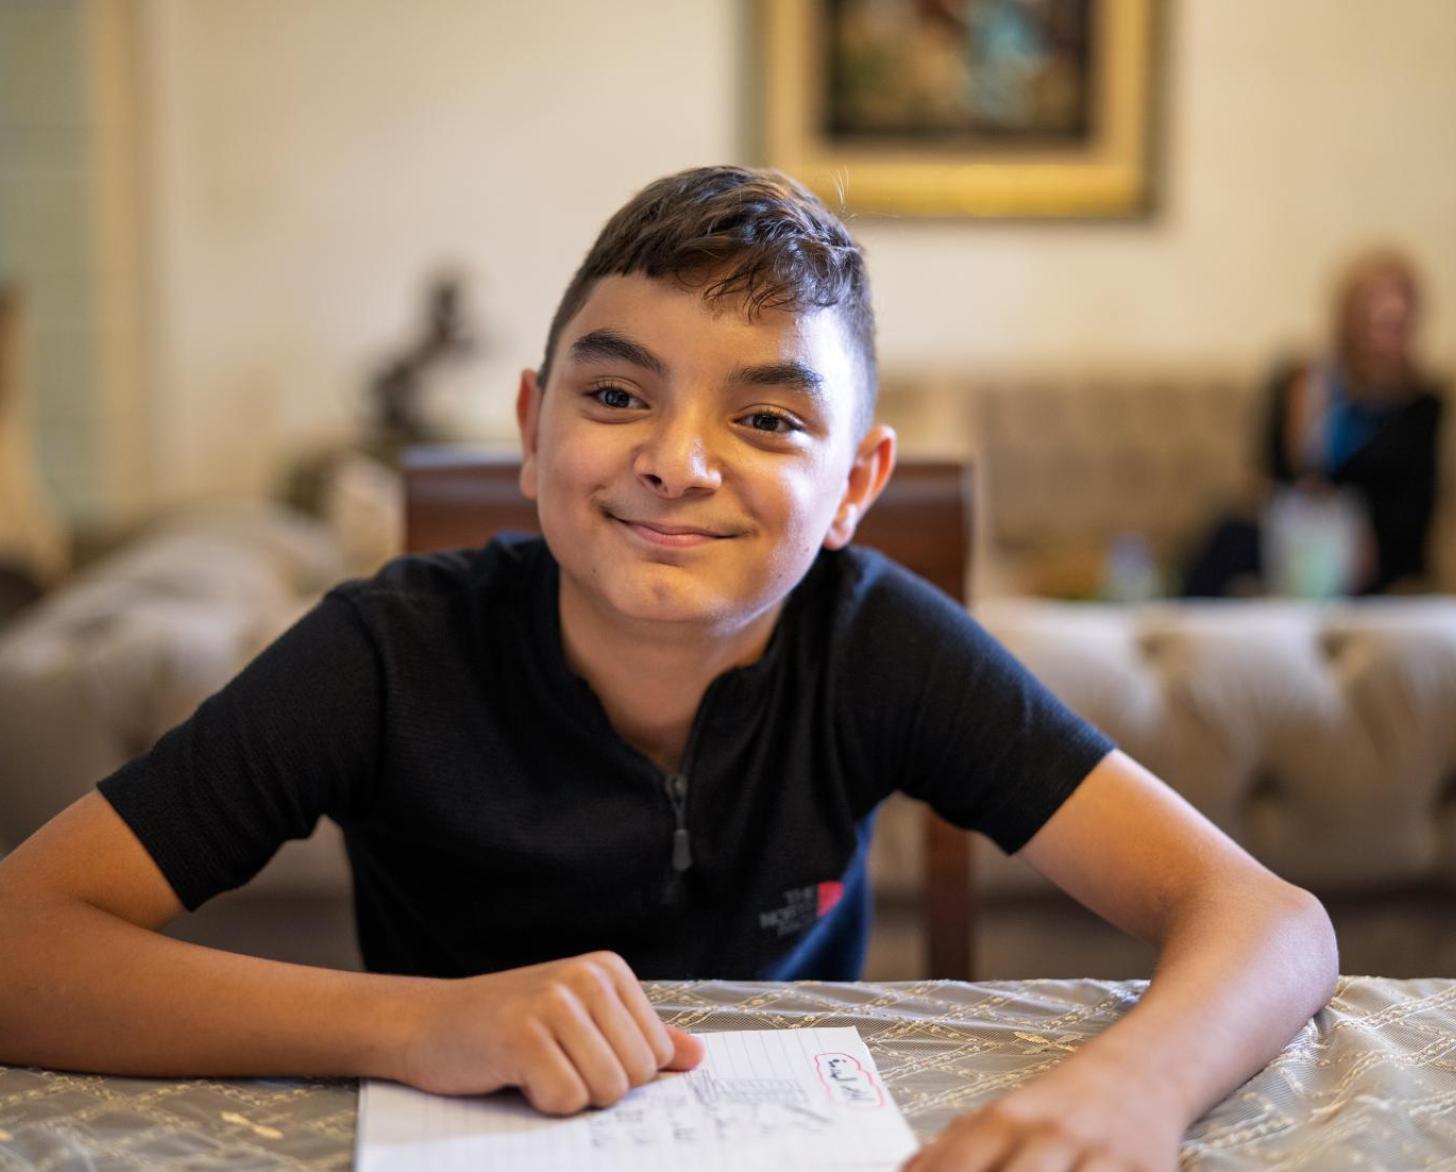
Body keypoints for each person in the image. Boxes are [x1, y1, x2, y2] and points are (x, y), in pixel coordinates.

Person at [0, 165, 1336, 1171]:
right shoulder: (384, 653)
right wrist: (419, 1024)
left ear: (856, 485)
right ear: (532, 431)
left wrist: (1129, 1090)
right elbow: (18, 940)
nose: (677, 461)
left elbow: (1273, 922)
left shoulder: (875, 643)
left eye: (765, 418)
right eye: (618, 395)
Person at [1184, 249, 1444, 598]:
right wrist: (1309, 414)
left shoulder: (1423, 404)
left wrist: (1350, 518)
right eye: (1374, 322)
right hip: (1300, 527)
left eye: (1394, 325)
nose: (1382, 339)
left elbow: (1412, 505)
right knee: (1230, 533)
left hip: (1377, 542)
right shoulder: (1307, 382)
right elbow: (1275, 470)